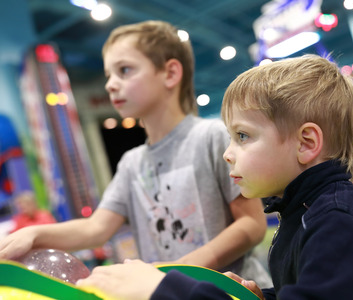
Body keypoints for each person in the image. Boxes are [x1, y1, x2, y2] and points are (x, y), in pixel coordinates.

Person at [77, 54, 353, 300]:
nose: (228, 153)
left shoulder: (339, 221)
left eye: (242, 136)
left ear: (306, 143)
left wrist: (163, 290)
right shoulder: (307, 212)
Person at [0, 20, 271, 287]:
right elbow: (96, 229)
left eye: (124, 70)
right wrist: (33, 234)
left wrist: (182, 270)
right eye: (109, 75)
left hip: (230, 291)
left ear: (170, 73)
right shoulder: (132, 163)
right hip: (168, 292)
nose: (110, 84)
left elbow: (251, 224)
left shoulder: (211, 137)